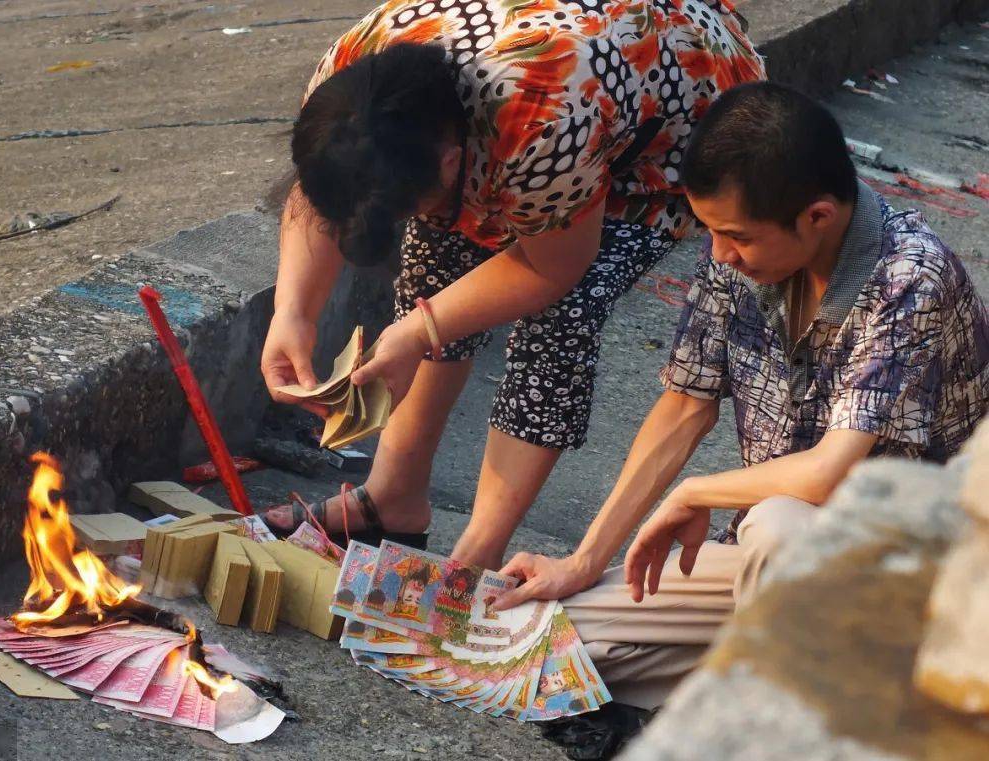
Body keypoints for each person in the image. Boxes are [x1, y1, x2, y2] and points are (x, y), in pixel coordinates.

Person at [495, 82, 989, 722]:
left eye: (737, 237)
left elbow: (826, 474)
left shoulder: (911, 279)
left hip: (915, 586)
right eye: (711, 233)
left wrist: (695, 493)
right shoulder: (738, 254)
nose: (721, 254)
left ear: (817, 216)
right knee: (547, 645)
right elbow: (683, 406)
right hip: (778, 571)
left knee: (779, 523)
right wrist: (584, 560)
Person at [259, 0, 765, 564]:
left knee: (562, 316)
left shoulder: (542, 119)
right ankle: (393, 501)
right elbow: (320, 191)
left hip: (669, 132)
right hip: (567, 95)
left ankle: (476, 557)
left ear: (452, 161)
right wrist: (293, 314)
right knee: (436, 264)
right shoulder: (351, 79)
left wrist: (416, 333)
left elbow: (554, 268)